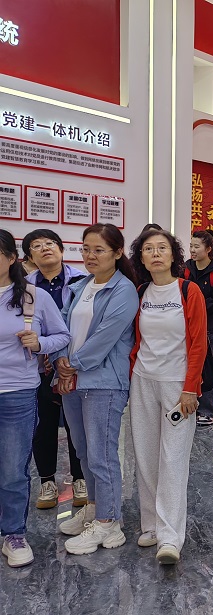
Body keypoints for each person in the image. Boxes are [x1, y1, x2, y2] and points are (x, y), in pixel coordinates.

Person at [52, 224, 139, 555]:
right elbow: (62, 328)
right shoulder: (80, 286)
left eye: (99, 249)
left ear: (117, 252)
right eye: (86, 249)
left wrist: (72, 364)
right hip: (72, 380)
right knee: (83, 451)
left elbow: (106, 336)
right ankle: (93, 508)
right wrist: (60, 360)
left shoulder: (124, 290)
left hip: (104, 383)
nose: (90, 255)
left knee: (102, 454)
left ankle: (109, 522)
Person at [128, 228, 208, 565]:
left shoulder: (188, 290)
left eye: (162, 248)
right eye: (149, 249)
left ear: (174, 255)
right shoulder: (140, 292)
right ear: (142, 258)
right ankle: (150, 525)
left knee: (173, 459)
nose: (156, 253)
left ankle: (170, 537)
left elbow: (199, 343)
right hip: (143, 380)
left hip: (177, 385)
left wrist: (191, 388)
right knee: (145, 455)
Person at [0, 229, 70, 568]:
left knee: (13, 470)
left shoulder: (33, 296)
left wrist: (40, 343)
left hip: (17, 392)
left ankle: (13, 534)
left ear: (12, 258)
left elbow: (62, 335)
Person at [22, 229, 86, 509]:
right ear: (29, 257)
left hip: (73, 365)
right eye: (37, 246)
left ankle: (80, 478)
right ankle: (47, 481)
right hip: (38, 367)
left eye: (50, 243)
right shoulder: (22, 288)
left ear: (61, 249)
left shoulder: (82, 282)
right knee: (43, 426)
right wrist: (46, 351)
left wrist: (65, 358)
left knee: (77, 425)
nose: (45, 248)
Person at [185, 229, 213, 427]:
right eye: (191, 246)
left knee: (209, 367)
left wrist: (197, 304)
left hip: (210, 326)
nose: (192, 250)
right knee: (190, 365)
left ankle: (210, 411)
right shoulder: (186, 268)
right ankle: (192, 406)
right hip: (188, 325)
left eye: (196, 246)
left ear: (208, 249)